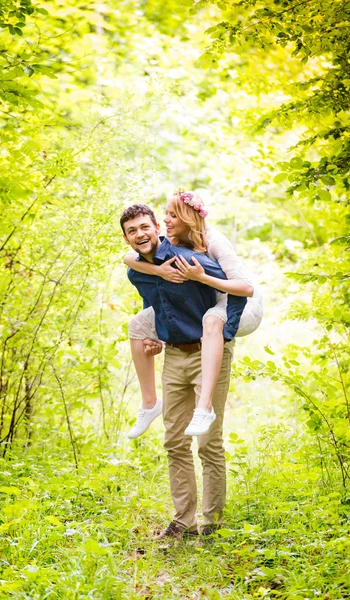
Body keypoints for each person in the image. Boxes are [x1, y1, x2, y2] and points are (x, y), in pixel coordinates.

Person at [120, 202, 247, 537]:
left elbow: (237, 292)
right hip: (175, 356)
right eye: (132, 231)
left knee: (208, 443)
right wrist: (154, 337)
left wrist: (225, 329)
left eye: (145, 227)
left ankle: (212, 523)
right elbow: (156, 306)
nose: (140, 234)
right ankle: (183, 521)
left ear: (156, 229)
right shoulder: (136, 271)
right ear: (126, 239)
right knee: (174, 442)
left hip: (209, 353)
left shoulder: (189, 259)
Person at [124, 190, 263, 439]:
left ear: (187, 218)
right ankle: (149, 403)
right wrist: (159, 274)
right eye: (165, 214)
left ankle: (204, 407)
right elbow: (130, 259)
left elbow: (246, 288)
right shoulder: (165, 245)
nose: (167, 220)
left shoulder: (211, 243)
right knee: (136, 324)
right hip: (201, 310)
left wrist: (200, 277)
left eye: (172, 215)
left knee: (211, 321)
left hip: (238, 300)